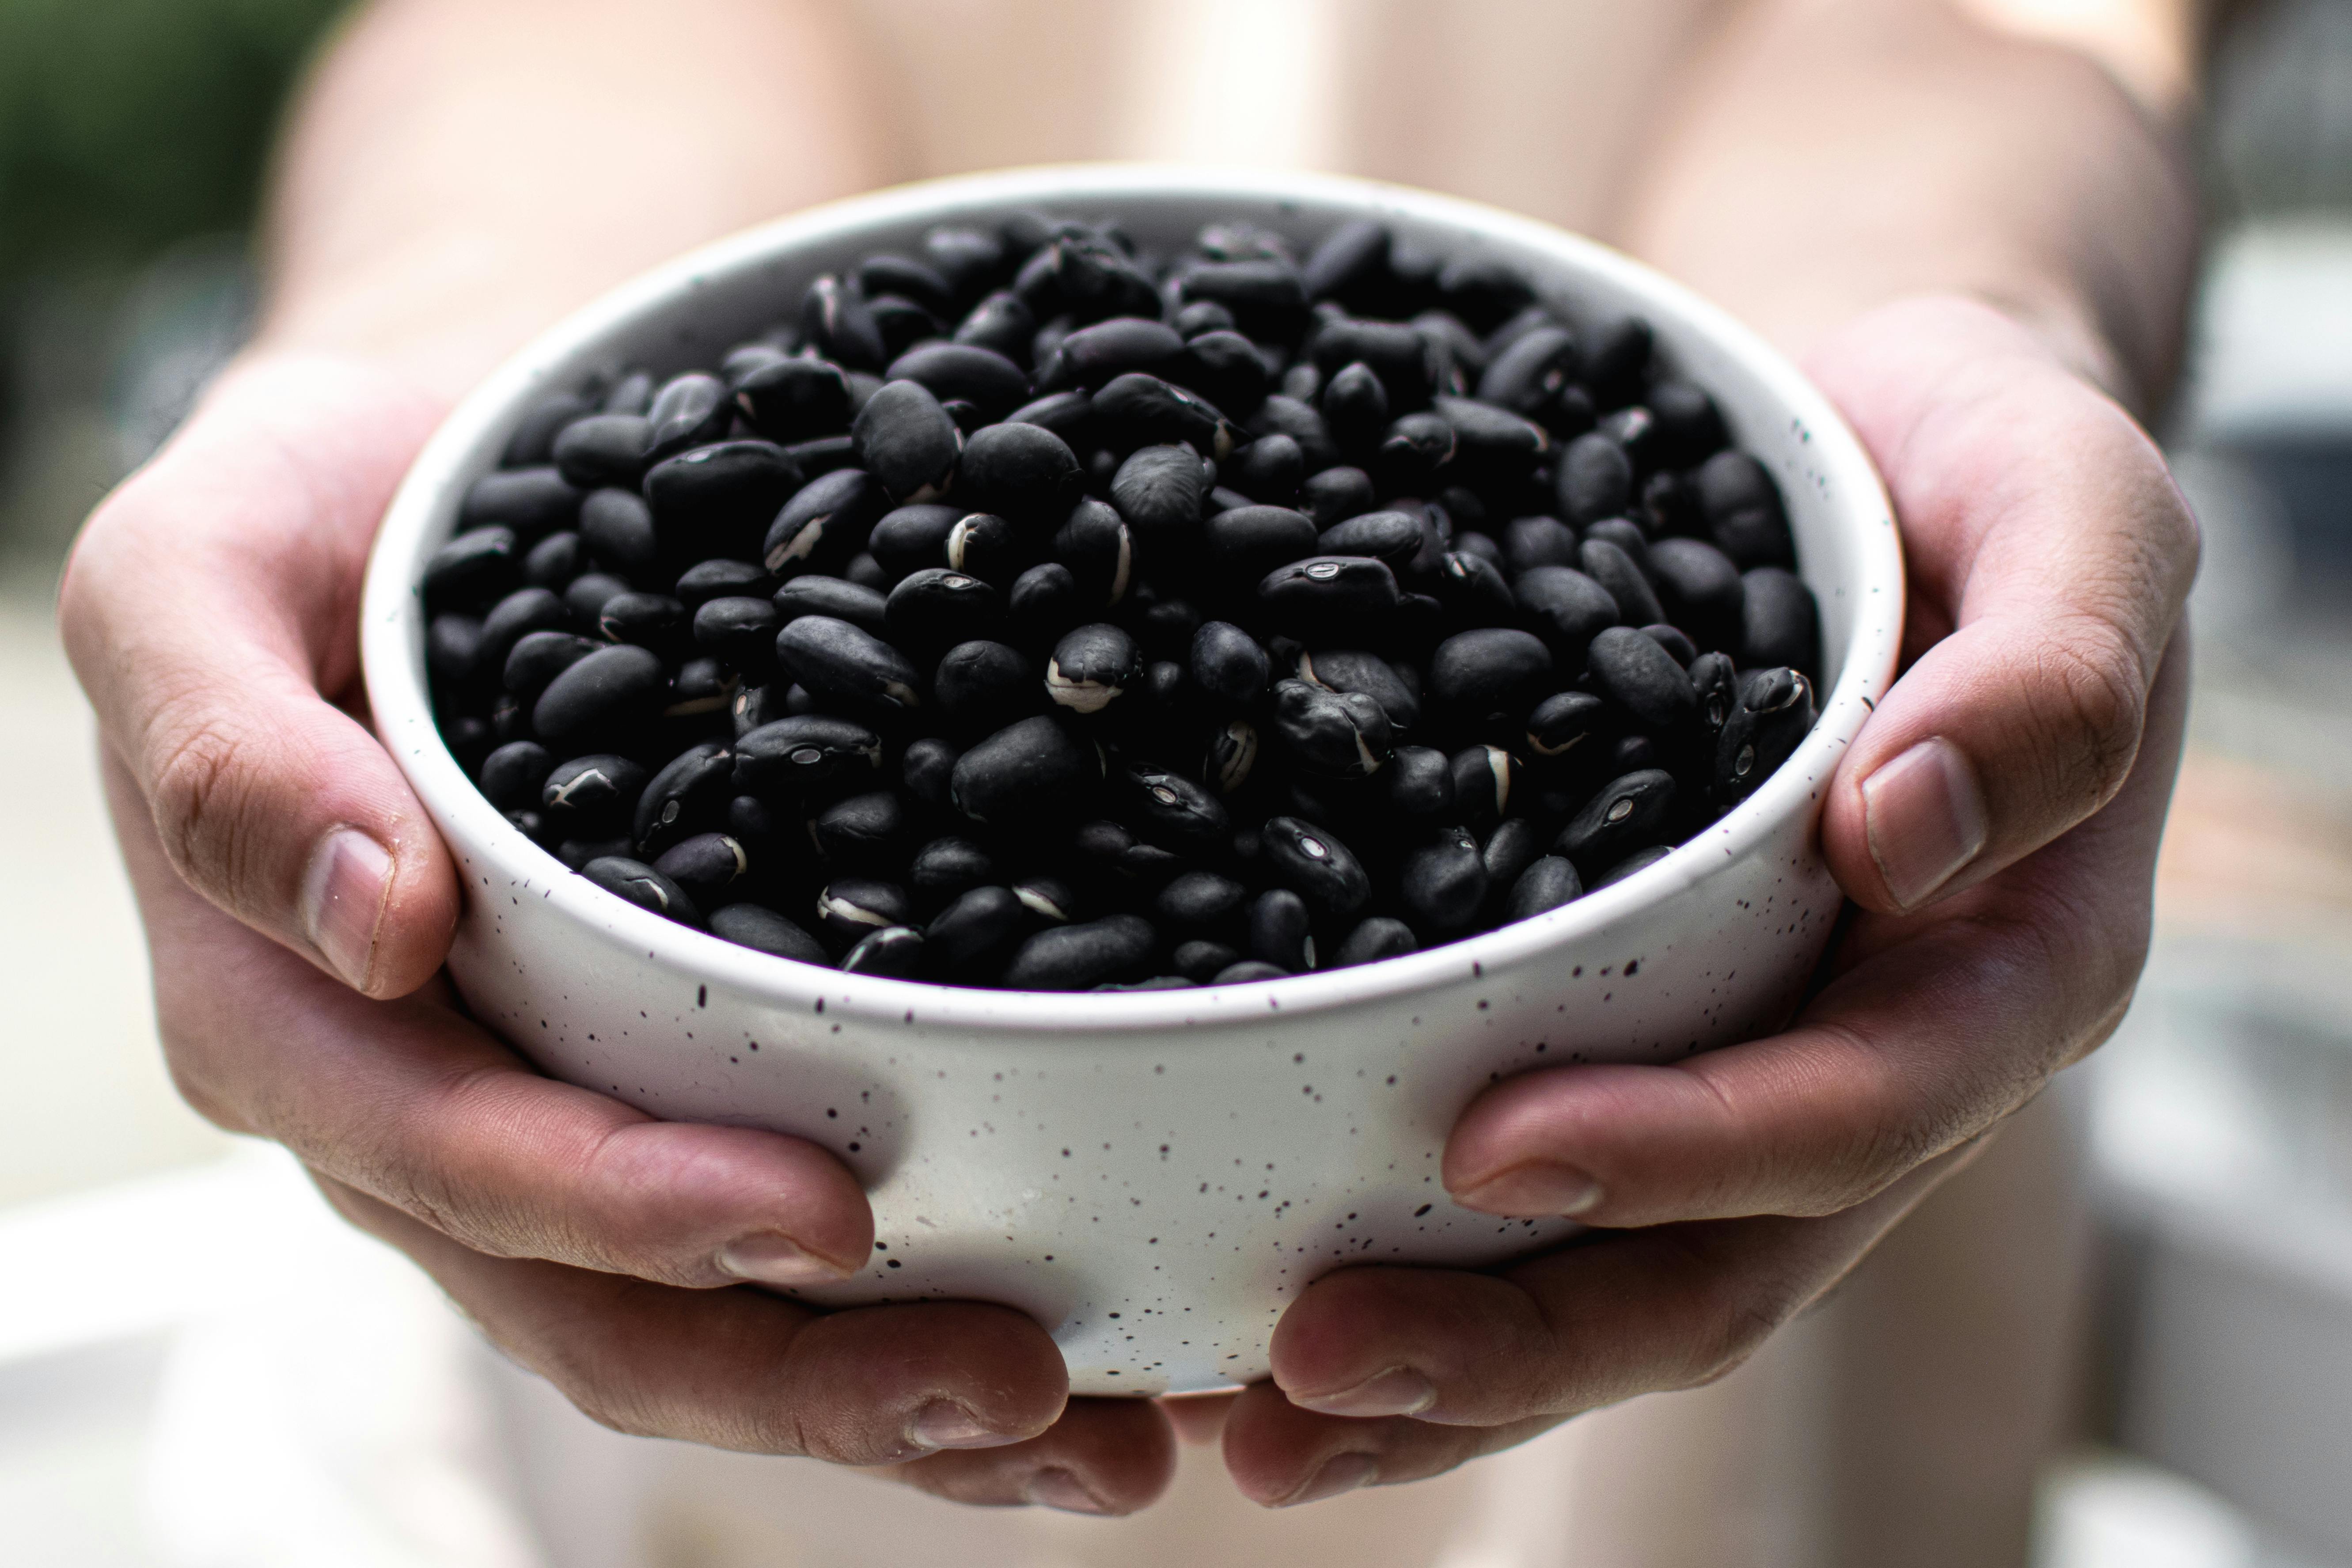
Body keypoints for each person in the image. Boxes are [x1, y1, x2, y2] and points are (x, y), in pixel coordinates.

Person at [60, 0, 2207, 1561]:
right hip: (632, 1181)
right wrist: (447, 332)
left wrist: (1961, 307)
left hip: (1736, 1086)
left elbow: (1974, 33)